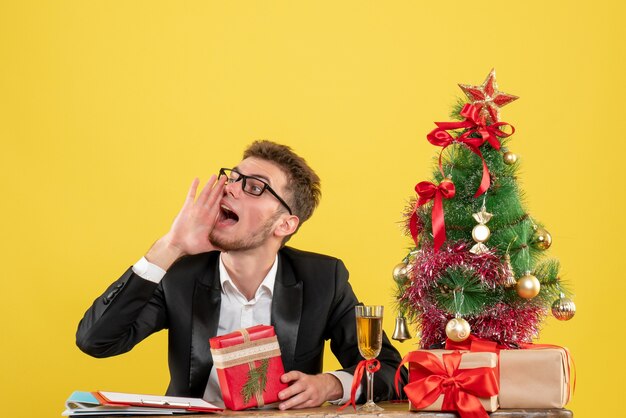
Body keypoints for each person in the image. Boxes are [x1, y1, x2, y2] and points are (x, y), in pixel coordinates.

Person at [76, 140, 407, 410]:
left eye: (254, 187)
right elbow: (96, 341)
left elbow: (392, 372)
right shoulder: (180, 274)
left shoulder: (323, 278)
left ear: (285, 224)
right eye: (232, 178)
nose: (229, 189)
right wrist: (171, 245)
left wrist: (331, 384)